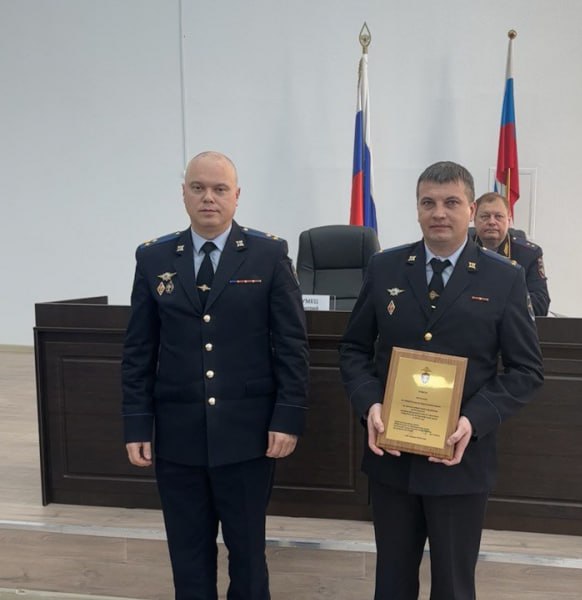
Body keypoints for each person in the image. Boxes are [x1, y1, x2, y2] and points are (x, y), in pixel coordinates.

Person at [339, 161, 544, 599]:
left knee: (453, 584)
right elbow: (354, 349)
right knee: (391, 583)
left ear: (470, 209)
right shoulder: (385, 267)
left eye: (451, 202)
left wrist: (473, 420)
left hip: (460, 462)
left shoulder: (504, 277)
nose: (439, 213)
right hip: (392, 458)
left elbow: (526, 370)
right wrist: (370, 405)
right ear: (417, 209)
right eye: (428, 203)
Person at [121, 151, 310, 599]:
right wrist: (137, 423)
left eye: (220, 189)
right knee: (187, 555)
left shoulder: (268, 254)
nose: (209, 197)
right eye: (199, 188)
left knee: (247, 555)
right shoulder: (154, 257)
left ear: (237, 196)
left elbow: (291, 345)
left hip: (248, 435)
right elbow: (139, 349)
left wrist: (288, 417)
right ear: (184, 194)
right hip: (178, 436)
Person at [472, 191, 550, 316]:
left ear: (509, 220)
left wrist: (492, 301)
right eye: (485, 216)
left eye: (498, 216)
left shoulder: (529, 254)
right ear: (474, 219)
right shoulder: (462, 249)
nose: (492, 222)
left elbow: (541, 305)